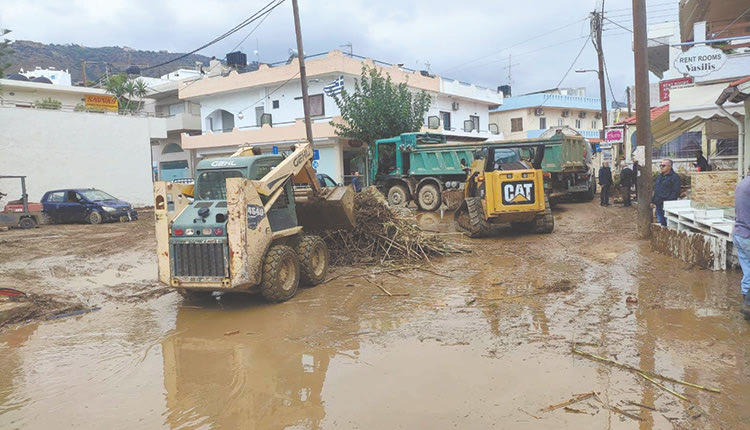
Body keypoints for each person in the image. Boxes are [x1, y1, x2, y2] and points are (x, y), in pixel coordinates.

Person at [733, 174, 750, 319]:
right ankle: (748, 304)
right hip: (747, 235)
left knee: (747, 269)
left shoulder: (743, 183)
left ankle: (746, 298)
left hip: (739, 233)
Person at [650, 158, 681, 226]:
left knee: (669, 223)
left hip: (667, 205)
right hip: (659, 204)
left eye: (663, 166)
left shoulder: (674, 178)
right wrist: (653, 201)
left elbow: (676, 191)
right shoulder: (660, 177)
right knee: (661, 222)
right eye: (660, 165)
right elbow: (657, 189)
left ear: (669, 167)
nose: (661, 167)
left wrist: (668, 202)